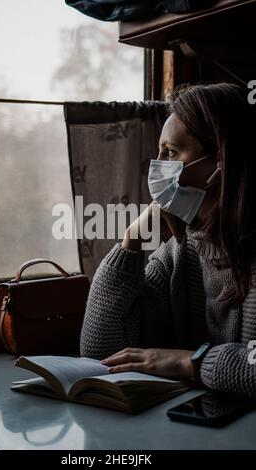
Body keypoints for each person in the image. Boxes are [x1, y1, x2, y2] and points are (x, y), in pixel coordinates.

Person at [80, 82, 256, 398]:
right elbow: (99, 351)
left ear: (221, 162)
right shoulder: (179, 250)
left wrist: (192, 362)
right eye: (160, 153)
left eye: (172, 152)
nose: (159, 165)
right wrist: (131, 241)